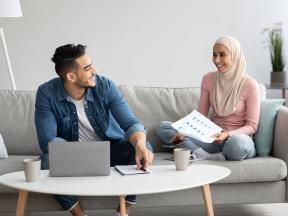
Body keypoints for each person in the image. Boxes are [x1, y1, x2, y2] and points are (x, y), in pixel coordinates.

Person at [34, 44, 154, 216]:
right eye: (88, 68)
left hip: (110, 151)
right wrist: (83, 152)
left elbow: (130, 123)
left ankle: (123, 211)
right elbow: (47, 140)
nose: (94, 71)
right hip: (73, 156)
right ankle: (79, 213)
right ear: (71, 76)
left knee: (145, 147)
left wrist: (140, 144)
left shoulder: (105, 86)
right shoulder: (46, 93)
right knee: (45, 162)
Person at [156, 36, 260, 161]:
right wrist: (186, 131)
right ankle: (205, 155)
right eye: (214, 55)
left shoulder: (250, 84)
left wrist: (227, 135)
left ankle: (199, 152)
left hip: (236, 139)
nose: (216, 60)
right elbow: (201, 115)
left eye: (222, 55)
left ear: (235, 55)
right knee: (164, 127)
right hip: (213, 139)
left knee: (238, 145)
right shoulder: (208, 79)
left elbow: (252, 126)